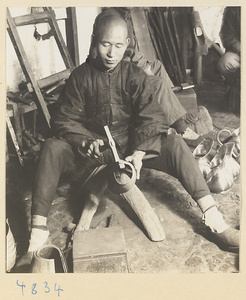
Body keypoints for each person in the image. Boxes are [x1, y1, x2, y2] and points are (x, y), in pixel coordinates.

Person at [15, 10, 239, 272]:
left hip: (132, 148)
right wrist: (82, 141)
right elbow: (63, 120)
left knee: (174, 143)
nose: (111, 53)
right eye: (105, 44)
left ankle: (215, 221)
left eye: (119, 46)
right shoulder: (80, 77)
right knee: (52, 147)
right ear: (94, 40)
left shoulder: (135, 75)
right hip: (92, 151)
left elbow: (152, 117)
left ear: (127, 45)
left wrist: (140, 153)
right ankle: (35, 242)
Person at [217, 7, 240, 113]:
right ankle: (235, 90)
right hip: (240, 52)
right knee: (225, 63)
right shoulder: (234, 8)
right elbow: (227, 36)